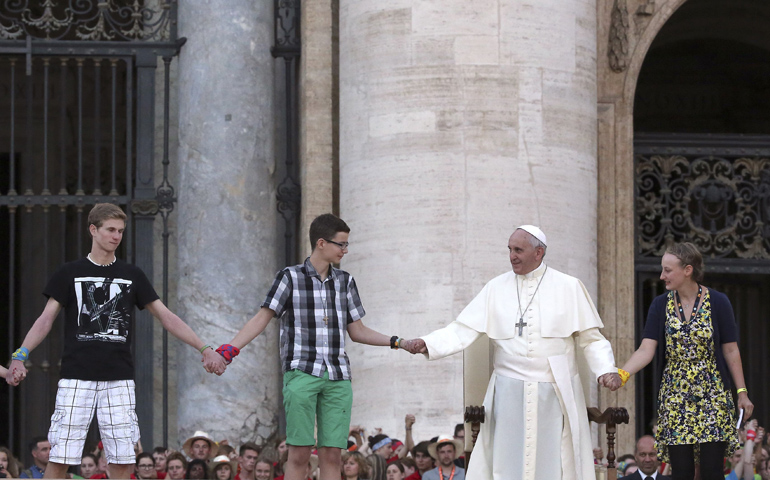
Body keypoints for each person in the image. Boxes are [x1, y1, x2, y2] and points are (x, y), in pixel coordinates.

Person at [5, 204, 226, 480]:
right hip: (76, 377)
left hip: (119, 379)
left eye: (121, 231)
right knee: (61, 458)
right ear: (93, 230)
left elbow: (166, 316)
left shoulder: (132, 274)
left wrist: (204, 348)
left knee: (123, 459)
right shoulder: (69, 272)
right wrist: (19, 354)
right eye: (110, 230)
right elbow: (45, 319)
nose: (116, 236)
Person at [401, 225, 621, 480]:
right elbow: (462, 330)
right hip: (507, 392)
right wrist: (428, 343)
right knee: (505, 461)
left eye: (518, 250)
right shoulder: (496, 288)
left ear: (539, 253)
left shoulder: (569, 287)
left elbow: (592, 338)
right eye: (510, 249)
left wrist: (606, 369)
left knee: (554, 463)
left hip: (555, 391)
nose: (512, 256)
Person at [217, 213, 409, 480]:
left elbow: (358, 331)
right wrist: (229, 350)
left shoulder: (346, 281)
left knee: (333, 454)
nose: (345, 250)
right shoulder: (290, 277)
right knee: (299, 452)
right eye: (340, 244)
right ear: (321, 243)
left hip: (338, 376)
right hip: (301, 371)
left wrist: (399, 342)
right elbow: (262, 317)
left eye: (346, 244)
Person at [618, 242, 752, 480]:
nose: (662, 276)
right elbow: (646, 349)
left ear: (687, 270)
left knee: (712, 472)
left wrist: (742, 392)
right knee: (681, 473)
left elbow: (731, 350)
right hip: (676, 397)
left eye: (668, 270)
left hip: (713, 395)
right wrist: (622, 374)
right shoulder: (661, 305)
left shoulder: (718, 302)